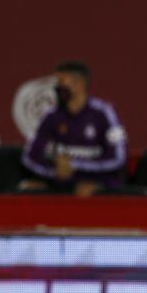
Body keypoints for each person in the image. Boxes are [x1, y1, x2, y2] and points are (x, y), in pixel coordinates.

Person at [21, 61, 127, 196]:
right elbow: (30, 157)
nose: (57, 87)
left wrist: (76, 166)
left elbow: (118, 158)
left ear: (79, 84)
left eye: (61, 81)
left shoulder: (105, 113)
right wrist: (53, 173)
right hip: (61, 186)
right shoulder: (52, 115)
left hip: (99, 188)